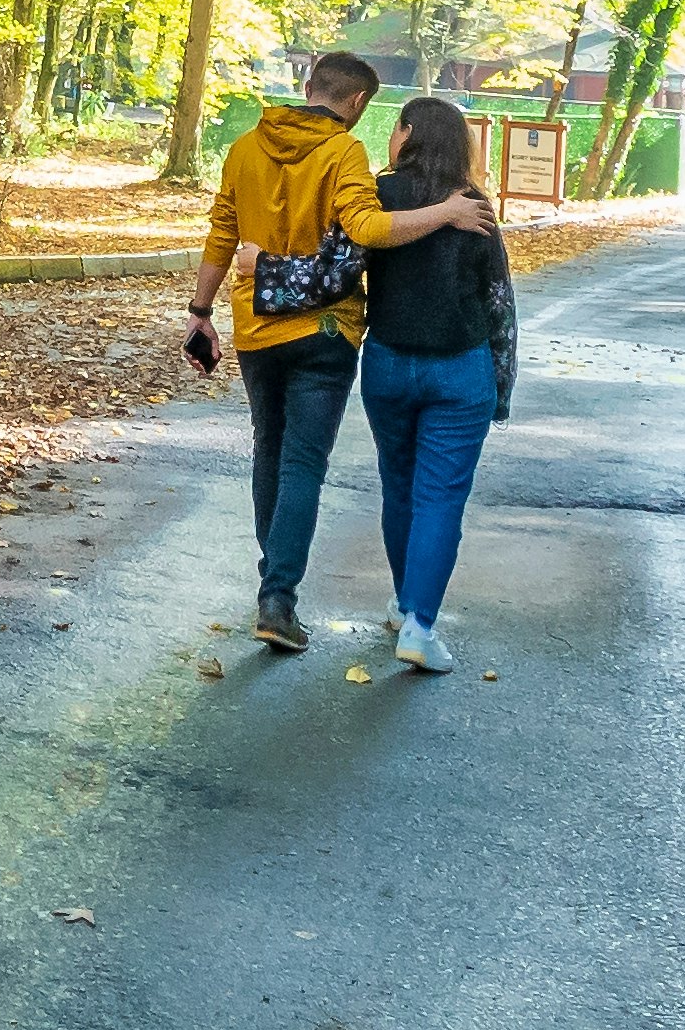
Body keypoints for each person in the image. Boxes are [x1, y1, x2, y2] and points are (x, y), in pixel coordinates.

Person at [188, 50, 501, 653]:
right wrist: (447, 212)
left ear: (307, 86)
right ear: (358, 102)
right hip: (324, 333)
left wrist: (200, 313)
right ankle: (277, 597)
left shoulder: (245, 149)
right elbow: (366, 230)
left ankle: (273, 584)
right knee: (303, 462)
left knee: (268, 451)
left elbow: (222, 232)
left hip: (256, 327)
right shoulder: (343, 152)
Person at [355, 93, 519, 672]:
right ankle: (421, 626)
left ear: (406, 134)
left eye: (395, 127)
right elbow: (497, 300)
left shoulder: (378, 196)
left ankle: (405, 606)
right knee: (440, 497)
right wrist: (502, 384)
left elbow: (343, 270)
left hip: (388, 364)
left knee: (398, 485)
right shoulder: (472, 206)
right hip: (459, 368)